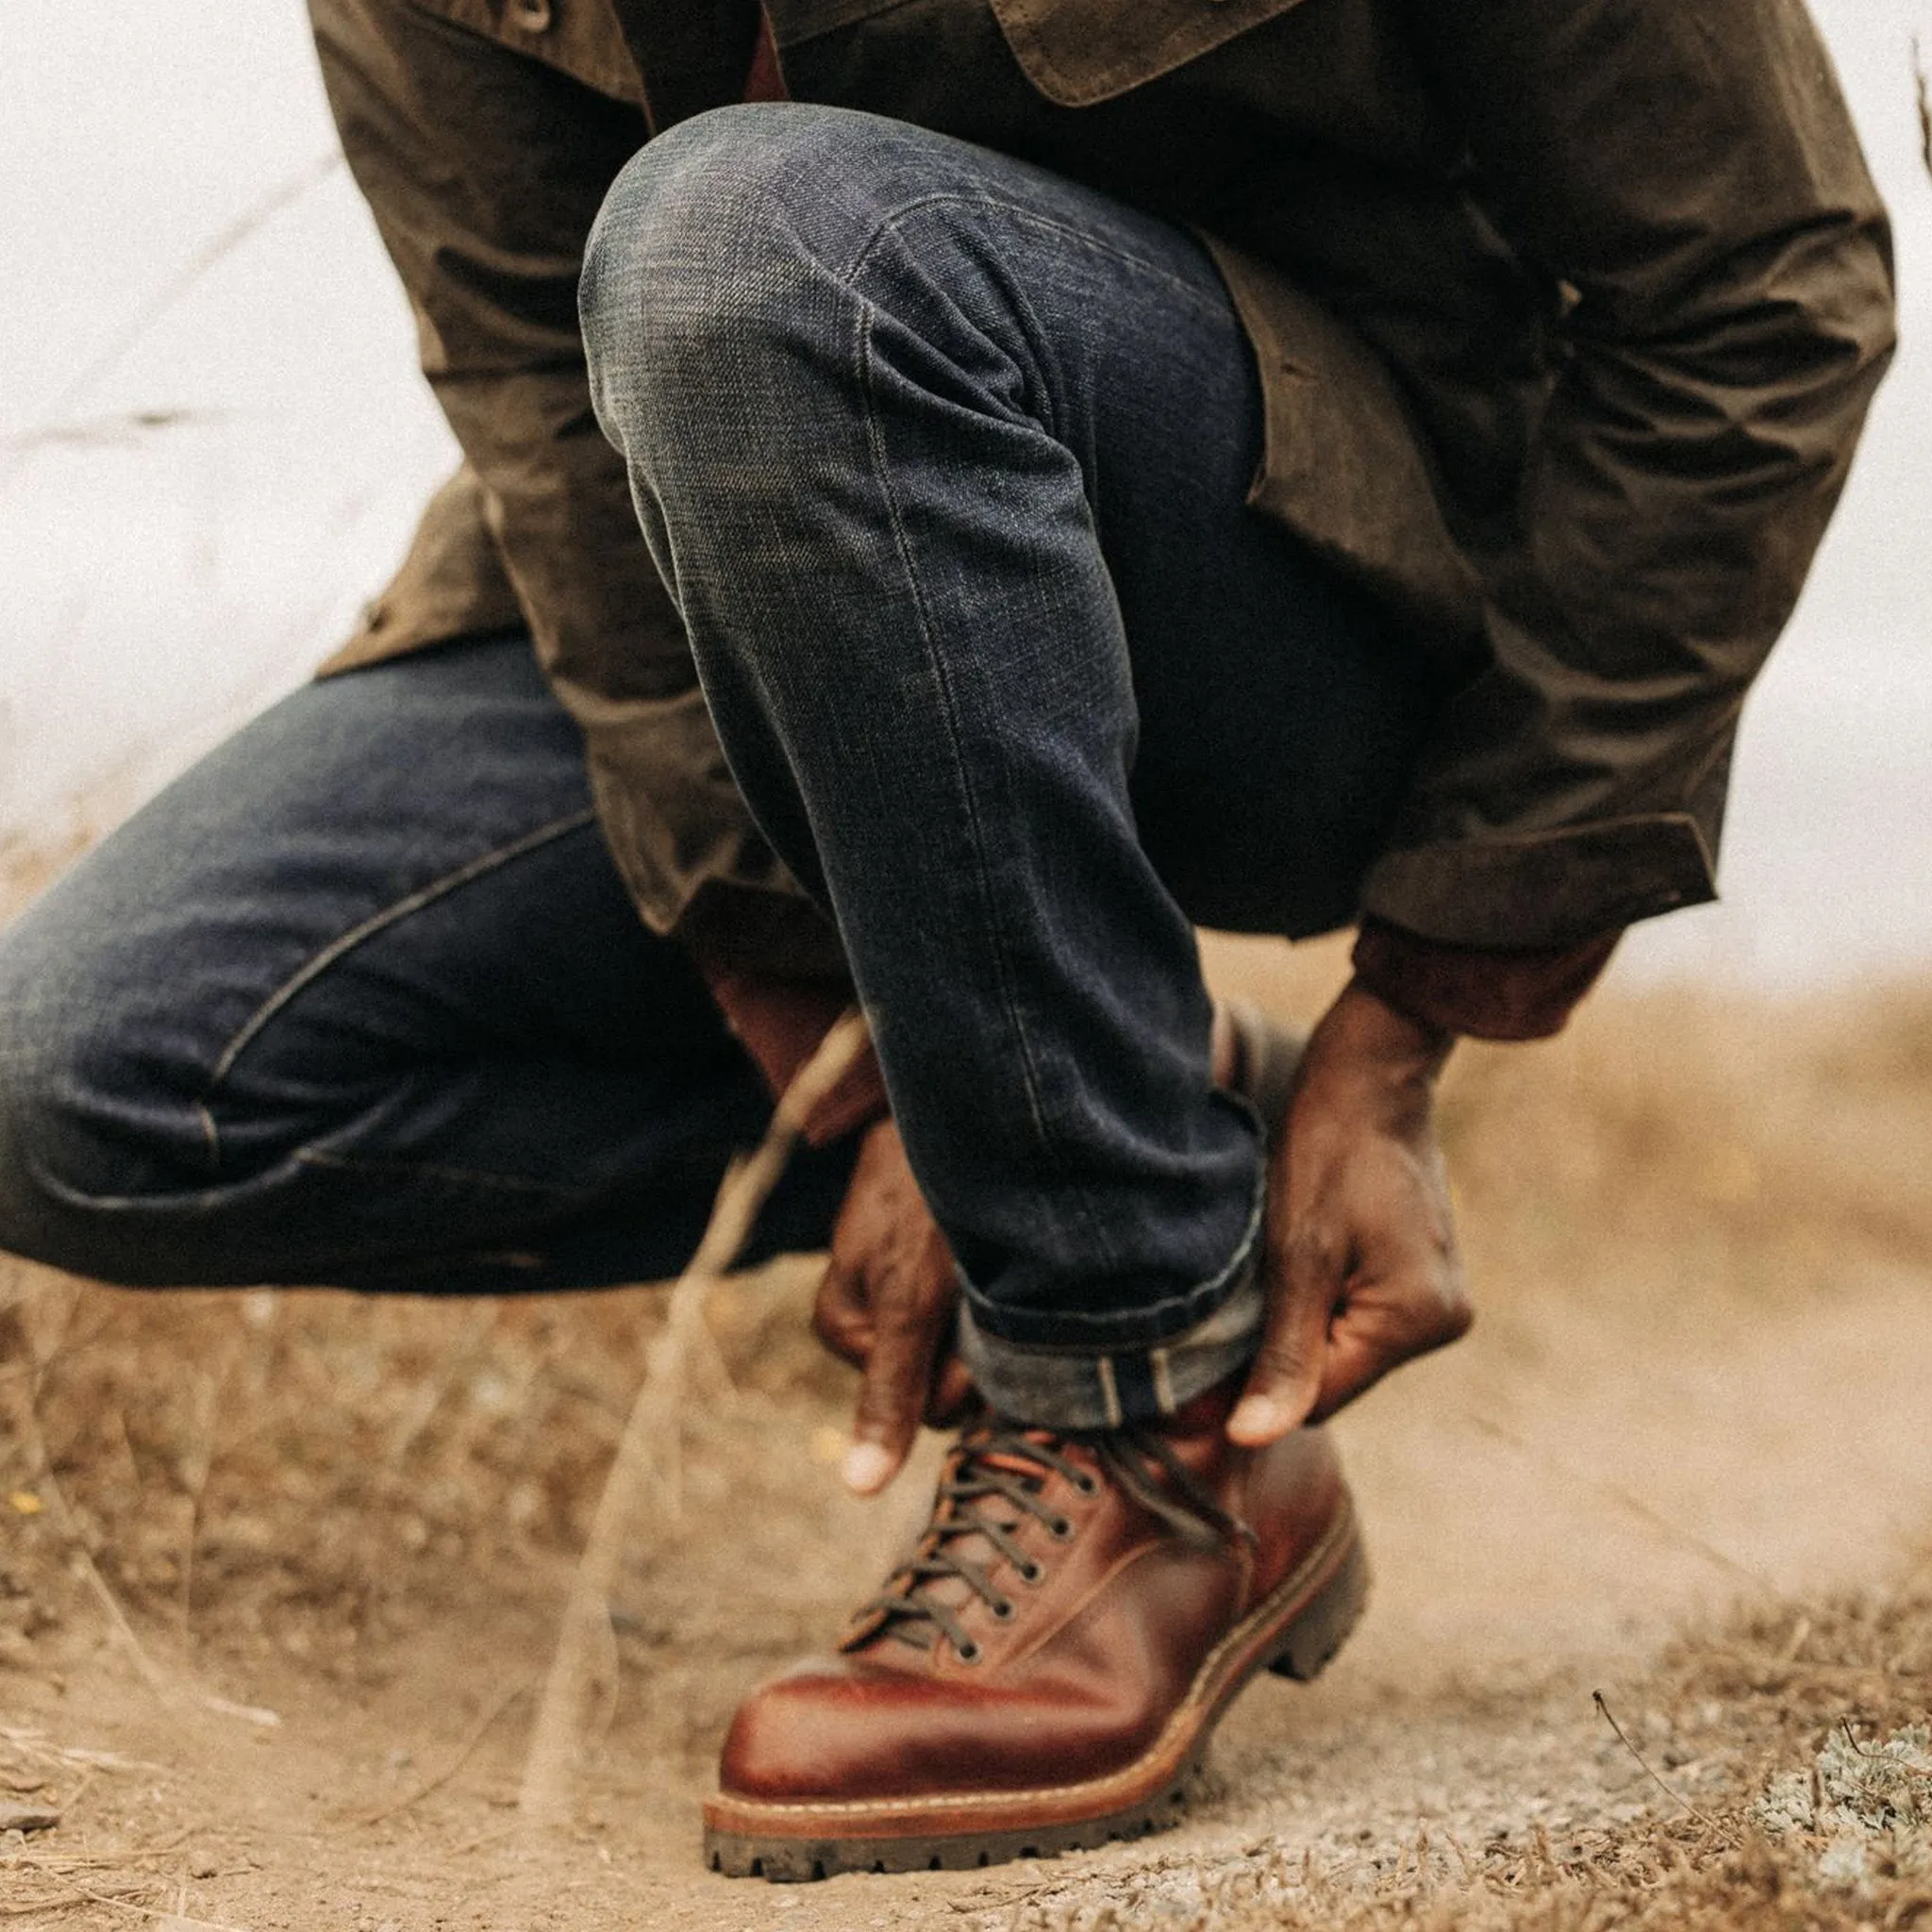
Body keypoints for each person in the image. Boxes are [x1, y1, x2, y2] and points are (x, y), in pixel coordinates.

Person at [0, 0, 1892, 1882]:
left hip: (1301, 596)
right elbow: (546, 414)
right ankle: (1128, 1120)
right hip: (716, 554)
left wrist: (1412, 1011)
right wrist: (863, 1042)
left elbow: (1758, 288)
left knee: (753, 237)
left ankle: (1141, 1410)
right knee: (81, 1077)